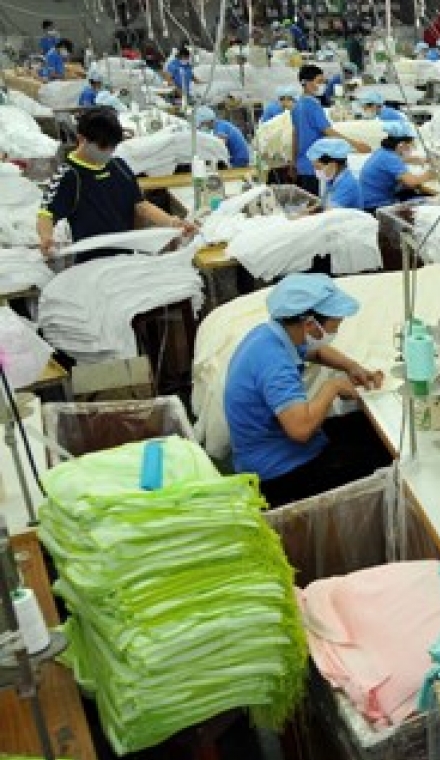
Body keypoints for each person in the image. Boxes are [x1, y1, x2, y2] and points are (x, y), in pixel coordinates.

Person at [223, 273, 391, 507]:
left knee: (364, 426)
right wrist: (332, 386)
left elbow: (317, 351)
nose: (335, 333)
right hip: (278, 474)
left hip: (271, 449)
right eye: (334, 326)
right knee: (385, 457)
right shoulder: (276, 364)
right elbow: (300, 430)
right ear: (310, 325)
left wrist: (352, 367)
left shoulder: (271, 335)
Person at [37, 108, 197, 262]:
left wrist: (173, 223)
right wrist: (46, 238)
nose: (108, 151)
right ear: (81, 139)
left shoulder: (119, 166)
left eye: (112, 147)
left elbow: (141, 206)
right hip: (91, 262)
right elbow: (46, 215)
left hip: (125, 257)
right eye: (102, 146)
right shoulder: (69, 175)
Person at [292, 64, 370, 194]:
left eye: (323, 81)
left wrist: (294, 162)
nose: (323, 85)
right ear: (306, 83)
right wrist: (356, 144)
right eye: (319, 81)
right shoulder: (312, 106)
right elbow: (328, 131)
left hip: (303, 164)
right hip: (315, 165)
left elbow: (295, 135)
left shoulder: (297, 105)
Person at [360, 121, 434, 211]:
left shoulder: (383, 152)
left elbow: (396, 162)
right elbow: (412, 182)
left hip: (368, 201)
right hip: (377, 206)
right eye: (410, 145)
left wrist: (416, 159)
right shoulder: (391, 158)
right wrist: (432, 173)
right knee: (429, 200)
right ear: (401, 145)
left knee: (411, 192)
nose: (412, 148)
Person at [306, 138, 363, 211]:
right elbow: (324, 203)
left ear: (332, 165)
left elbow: (330, 213)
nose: (316, 171)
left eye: (318, 167)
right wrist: (306, 211)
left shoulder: (348, 185)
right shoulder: (332, 179)